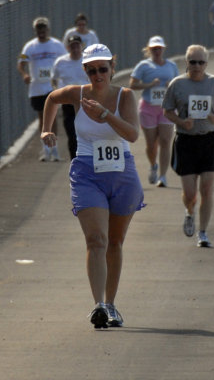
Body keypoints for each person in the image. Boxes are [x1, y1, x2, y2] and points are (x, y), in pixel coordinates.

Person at [41, 43, 144, 329]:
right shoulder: (78, 93)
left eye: (102, 69)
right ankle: (98, 304)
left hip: (122, 173)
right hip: (87, 171)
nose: (97, 75)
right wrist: (46, 129)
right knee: (96, 239)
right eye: (91, 70)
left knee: (114, 242)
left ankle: (111, 304)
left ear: (112, 67)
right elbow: (51, 98)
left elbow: (133, 135)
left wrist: (105, 115)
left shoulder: (125, 96)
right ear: (84, 70)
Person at [162, 45, 214, 248]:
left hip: (209, 139)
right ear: (186, 63)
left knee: (207, 189)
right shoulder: (177, 84)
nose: (197, 66)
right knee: (191, 194)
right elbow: (167, 110)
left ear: (206, 64)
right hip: (186, 140)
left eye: (201, 62)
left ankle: (203, 232)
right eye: (193, 62)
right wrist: (181, 122)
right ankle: (190, 211)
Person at [129, 36, 179, 187]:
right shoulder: (143, 66)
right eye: (154, 49)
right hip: (148, 107)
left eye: (159, 48)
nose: (157, 51)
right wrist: (150, 84)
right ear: (149, 50)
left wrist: (172, 85)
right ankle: (153, 166)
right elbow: (132, 85)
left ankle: (163, 176)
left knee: (165, 141)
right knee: (151, 144)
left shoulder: (171, 65)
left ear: (163, 49)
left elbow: (179, 84)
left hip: (166, 108)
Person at [17, 17, 66, 161]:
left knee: (53, 116)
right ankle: (45, 149)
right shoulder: (30, 47)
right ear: (35, 30)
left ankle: (54, 149)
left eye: (43, 28)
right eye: (39, 29)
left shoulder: (56, 45)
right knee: (42, 118)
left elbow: (66, 59)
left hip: (52, 87)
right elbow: (21, 62)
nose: (41, 31)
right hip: (37, 88)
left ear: (47, 29)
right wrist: (25, 74)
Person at [51, 35, 89, 159]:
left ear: (81, 46)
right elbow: (54, 79)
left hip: (85, 103)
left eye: (77, 45)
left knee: (85, 134)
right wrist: (58, 93)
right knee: (72, 136)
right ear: (68, 47)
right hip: (68, 104)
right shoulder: (61, 62)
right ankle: (75, 162)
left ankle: (87, 160)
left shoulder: (87, 61)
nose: (75, 48)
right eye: (72, 46)